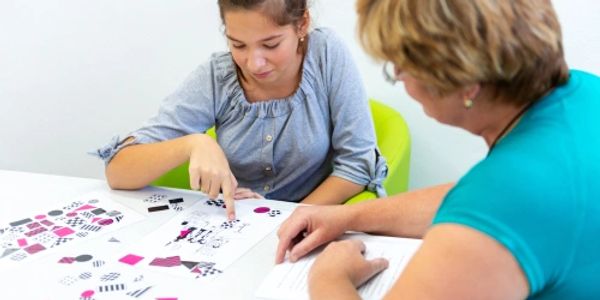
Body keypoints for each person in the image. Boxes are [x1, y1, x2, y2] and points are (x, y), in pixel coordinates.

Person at [276, 0, 600, 298]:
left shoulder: (509, 197)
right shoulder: (584, 92)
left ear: (464, 81)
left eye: (399, 68)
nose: (400, 80)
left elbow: (498, 203)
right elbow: (470, 199)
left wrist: (330, 278)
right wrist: (348, 215)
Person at [94, 0, 388, 220]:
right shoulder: (217, 76)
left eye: (271, 45)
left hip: (316, 223)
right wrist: (192, 143)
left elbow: (357, 165)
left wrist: (284, 219)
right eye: (238, 45)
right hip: (237, 230)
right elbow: (118, 171)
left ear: (302, 25)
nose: (253, 63)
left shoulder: (326, 53)